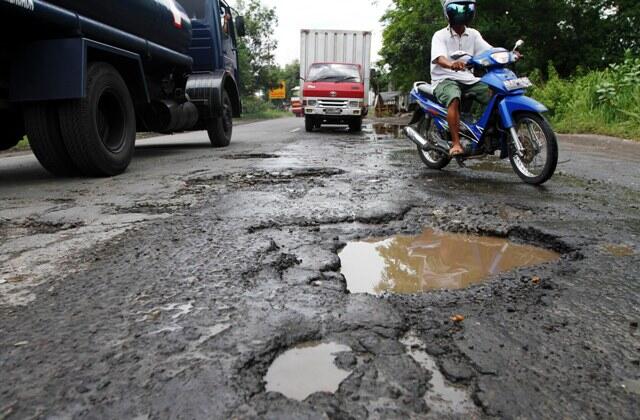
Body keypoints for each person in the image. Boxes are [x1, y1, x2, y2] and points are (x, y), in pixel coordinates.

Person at [431, 0, 492, 156]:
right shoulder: (440, 35)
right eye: (456, 9)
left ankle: (486, 132)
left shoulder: (473, 34)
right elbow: (439, 59)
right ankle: (456, 144)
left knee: (494, 93)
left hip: (468, 79)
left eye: (466, 8)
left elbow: (489, 51)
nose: (461, 13)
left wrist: (509, 55)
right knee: (454, 98)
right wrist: (451, 64)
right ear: (447, 13)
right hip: (444, 78)